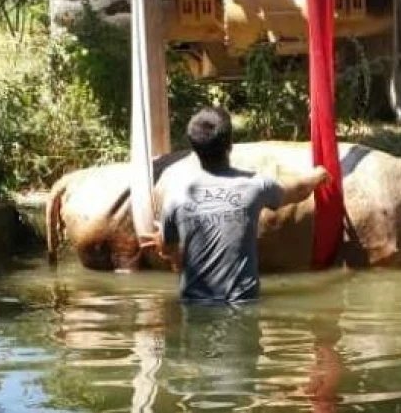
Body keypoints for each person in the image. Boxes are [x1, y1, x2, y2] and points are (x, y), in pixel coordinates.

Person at [140, 106, 331, 304]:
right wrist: (318, 175)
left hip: (195, 308)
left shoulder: (176, 197)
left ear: (193, 148)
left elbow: (172, 254)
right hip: (242, 306)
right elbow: (299, 190)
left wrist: (163, 245)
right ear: (230, 145)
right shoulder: (254, 186)